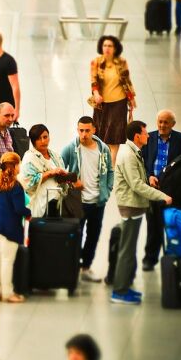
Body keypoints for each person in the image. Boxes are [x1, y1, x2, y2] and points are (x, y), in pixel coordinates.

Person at [111, 121, 172, 305]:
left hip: (134, 206)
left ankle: (124, 287)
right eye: (145, 133)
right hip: (130, 207)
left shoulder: (131, 151)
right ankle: (120, 292)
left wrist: (149, 178)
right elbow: (136, 185)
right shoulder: (128, 155)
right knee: (127, 251)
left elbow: (138, 179)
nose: (149, 136)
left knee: (128, 249)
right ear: (137, 136)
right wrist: (162, 196)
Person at [61, 116, 115, 282]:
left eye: (87, 130)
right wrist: (72, 182)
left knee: (93, 235)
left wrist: (107, 189)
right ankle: (72, 265)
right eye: (81, 130)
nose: (83, 134)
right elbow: (60, 170)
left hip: (98, 202)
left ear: (94, 130)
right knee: (75, 235)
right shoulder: (71, 148)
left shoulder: (103, 148)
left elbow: (110, 171)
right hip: (78, 202)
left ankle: (85, 267)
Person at [141, 110, 181, 270]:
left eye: (166, 122)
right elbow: (142, 162)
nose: (162, 125)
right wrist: (149, 176)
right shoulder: (148, 138)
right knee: (153, 225)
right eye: (160, 121)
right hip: (153, 188)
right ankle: (150, 258)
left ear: (173, 124)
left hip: (172, 190)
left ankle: (173, 257)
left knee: (172, 223)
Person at [0, 152, 29, 302]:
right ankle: (7, 293)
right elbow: (19, 209)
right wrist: (28, 212)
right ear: (15, 165)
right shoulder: (16, 186)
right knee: (7, 261)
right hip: (10, 227)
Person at [90, 35, 136, 165]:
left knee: (114, 135)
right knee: (100, 132)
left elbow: (127, 81)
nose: (107, 48)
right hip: (101, 103)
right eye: (105, 45)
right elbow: (93, 81)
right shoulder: (96, 62)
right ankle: (102, 161)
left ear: (115, 48)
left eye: (110, 46)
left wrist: (132, 99)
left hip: (119, 102)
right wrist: (96, 93)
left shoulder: (121, 62)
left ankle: (112, 164)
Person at [19, 124, 69, 219]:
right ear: (33, 141)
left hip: (59, 202)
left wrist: (65, 177)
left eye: (45, 137)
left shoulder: (56, 156)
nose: (43, 141)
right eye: (38, 138)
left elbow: (62, 177)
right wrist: (50, 173)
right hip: (41, 204)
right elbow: (28, 183)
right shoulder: (29, 158)